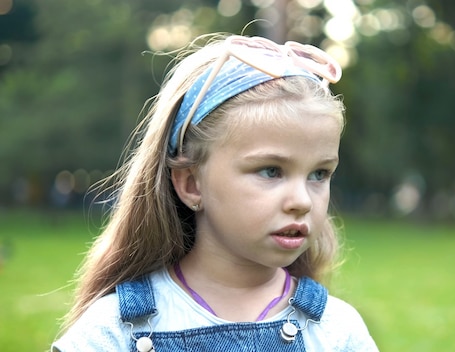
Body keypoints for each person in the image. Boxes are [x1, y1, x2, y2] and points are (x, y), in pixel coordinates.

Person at [52, 33, 378, 351]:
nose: (302, 201)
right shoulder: (115, 330)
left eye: (319, 174)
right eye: (270, 171)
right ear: (191, 184)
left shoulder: (337, 333)